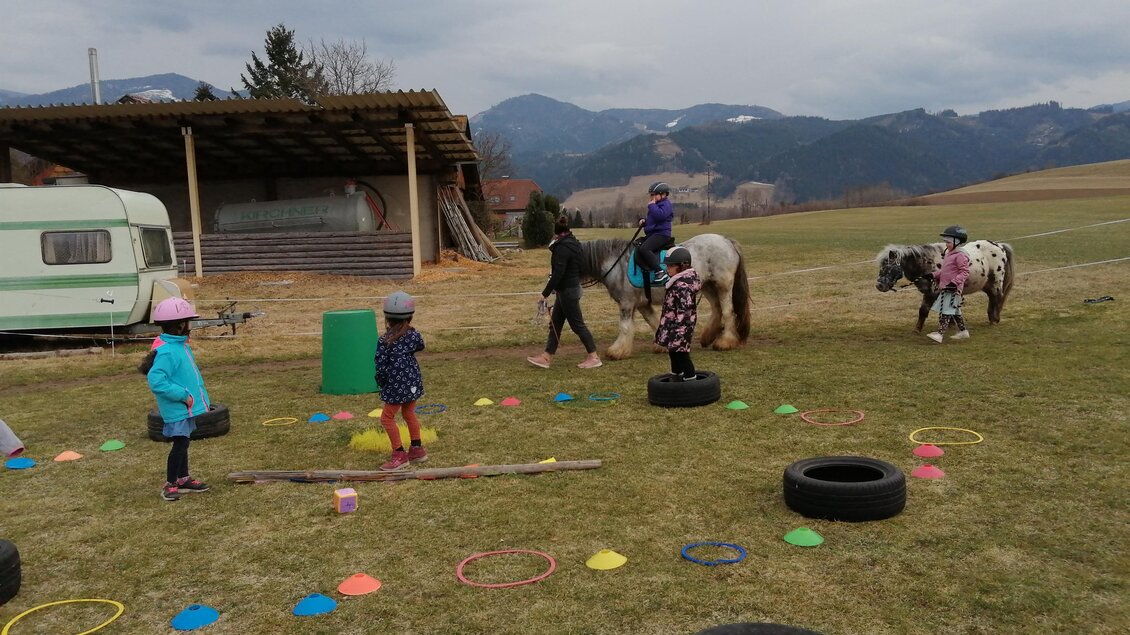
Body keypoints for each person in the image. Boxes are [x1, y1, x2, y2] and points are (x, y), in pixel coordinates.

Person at [145, 297, 212, 501]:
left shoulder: (179, 346)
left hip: (185, 407)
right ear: (181, 325)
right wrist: (182, 395)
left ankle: (183, 479)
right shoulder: (167, 351)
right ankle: (170, 483)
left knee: (184, 442)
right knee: (180, 444)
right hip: (177, 407)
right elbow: (156, 380)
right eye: (188, 322)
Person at [527, 216, 603, 370]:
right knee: (555, 324)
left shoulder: (562, 248)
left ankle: (594, 357)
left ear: (556, 233)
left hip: (568, 291)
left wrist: (545, 293)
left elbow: (558, 273)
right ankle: (546, 357)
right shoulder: (574, 243)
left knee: (578, 326)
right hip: (567, 289)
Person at [374, 291, 428, 471]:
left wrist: (382, 382)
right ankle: (417, 449)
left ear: (387, 318)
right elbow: (420, 345)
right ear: (410, 316)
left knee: (387, 418)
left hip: (396, 385)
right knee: (409, 412)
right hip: (412, 382)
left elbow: (380, 365)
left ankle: (399, 455)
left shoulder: (384, 340)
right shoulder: (413, 336)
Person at [655, 246, 701, 380]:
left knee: (681, 354)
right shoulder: (676, 282)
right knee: (673, 351)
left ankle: (690, 379)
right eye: (667, 265)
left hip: (681, 326)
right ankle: (676, 374)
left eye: (671, 266)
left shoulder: (683, 286)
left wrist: (679, 330)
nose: (667, 269)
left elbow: (685, 310)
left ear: (682, 266)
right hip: (673, 324)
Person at [928, 225, 971, 343]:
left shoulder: (960, 256)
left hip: (952, 288)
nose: (946, 244)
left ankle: (940, 334)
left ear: (957, 242)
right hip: (946, 287)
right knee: (955, 311)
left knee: (946, 311)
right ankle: (963, 332)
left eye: (949, 242)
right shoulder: (949, 254)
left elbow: (965, 272)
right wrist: (933, 275)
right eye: (945, 242)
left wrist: (954, 283)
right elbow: (946, 271)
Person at [637, 181, 675, 284]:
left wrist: (652, 206)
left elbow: (660, 216)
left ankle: (660, 272)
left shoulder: (666, 204)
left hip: (662, 235)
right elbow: (654, 219)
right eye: (651, 195)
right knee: (638, 245)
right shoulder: (657, 205)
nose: (651, 197)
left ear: (663, 194)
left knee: (645, 248)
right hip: (653, 234)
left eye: (654, 195)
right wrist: (644, 221)